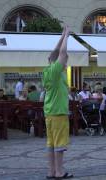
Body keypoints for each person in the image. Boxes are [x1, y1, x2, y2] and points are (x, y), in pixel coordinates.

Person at [42, 26, 73, 179]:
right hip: (58, 112)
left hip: (49, 113)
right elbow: (60, 53)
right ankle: (59, 172)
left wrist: (61, 36)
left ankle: (52, 171)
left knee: (51, 144)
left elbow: (53, 55)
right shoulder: (55, 72)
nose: (66, 60)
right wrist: (66, 36)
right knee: (59, 145)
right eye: (65, 59)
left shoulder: (48, 70)